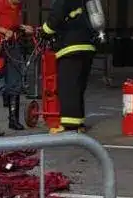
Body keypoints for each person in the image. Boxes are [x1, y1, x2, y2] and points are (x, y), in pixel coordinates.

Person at [41, 0, 98, 133]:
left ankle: (69, 126)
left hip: (71, 48)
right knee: (78, 87)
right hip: (87, 46)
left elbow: (55, 19)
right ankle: (79, 123)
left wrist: (43, 31)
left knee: (68, 87)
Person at [0, 0, 33, 130]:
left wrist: (22, 27)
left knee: (15, 83)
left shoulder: (18, 5)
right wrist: (3, 31)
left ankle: (13, 120)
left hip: (12, 46)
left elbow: (12, 24)